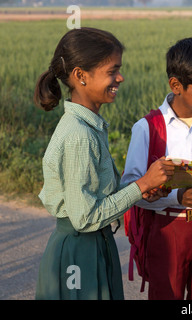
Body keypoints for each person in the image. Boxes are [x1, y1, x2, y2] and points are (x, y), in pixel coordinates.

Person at [34, 27, 175, 300]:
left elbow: (96, 194)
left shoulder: (89, 125)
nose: (120, 77)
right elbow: (85, 217)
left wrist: (138, 188)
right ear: (80, 76)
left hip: (92, 245)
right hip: (80, 250)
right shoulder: (79, 136)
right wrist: (142, 185)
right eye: (112, 71)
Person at [121, 37, 192, 300]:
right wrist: (178, 197)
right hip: (167, 228)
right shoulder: (148, 128)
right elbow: (131, 190)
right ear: (176, 85)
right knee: (166, 293)